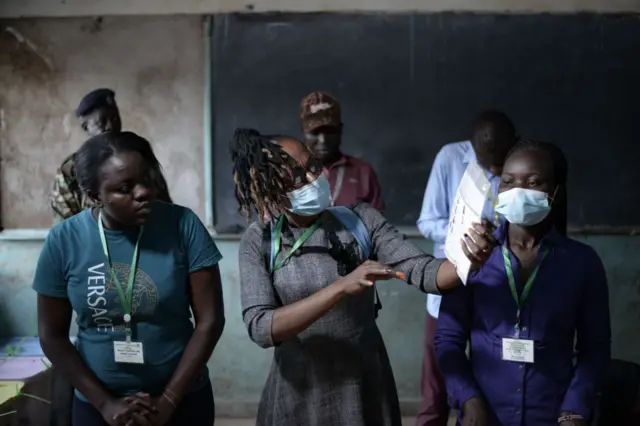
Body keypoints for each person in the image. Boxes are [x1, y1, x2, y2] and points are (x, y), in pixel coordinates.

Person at [231, 128, 496, 426]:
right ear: (271, 186)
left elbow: (427, 273)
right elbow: (262, 327)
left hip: (365, 384)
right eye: (295, 175)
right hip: (299, 391)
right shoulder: (260, 240)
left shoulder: (360, 221)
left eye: (313, 167)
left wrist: (467, 259)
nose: (312, 179)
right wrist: (340, 288)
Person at [34, 131, 225, 426]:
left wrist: (169, 400)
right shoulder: (64, 241)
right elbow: (52, 335)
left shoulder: (183, 225)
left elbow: (210, 321)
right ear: (95, 195)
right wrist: (104, 403)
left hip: (183, 401)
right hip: (98, 408)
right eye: (125, 187)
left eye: (146, 180)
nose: (143, 192)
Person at [434, 140, 610, 426]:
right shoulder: (473, 258)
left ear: (553, 192)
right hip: (484, 414)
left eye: (533, 182)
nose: (519, 191)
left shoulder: (582, 262)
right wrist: (468, 398)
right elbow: (447, 340)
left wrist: (574, 409)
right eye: (508, 181)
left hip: (552, 414)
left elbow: (595, 348)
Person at [415, 110, 517, 426]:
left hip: (501, 290)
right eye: (492, 164)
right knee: (436, 384)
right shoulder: (450, 158)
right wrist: (466, 233)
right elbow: (427, 222)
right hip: (453, 282)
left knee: (494, 379)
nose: (500, 170)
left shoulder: (523, 162)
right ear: (474, 150)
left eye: (504, 161)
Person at [50, 88, 172, 223]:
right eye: (102, 122)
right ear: (86, 127)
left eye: (115, 118)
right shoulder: (70, 170)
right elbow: (65, 226)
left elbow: (165, 209)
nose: (111, 126)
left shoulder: (140, 158)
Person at [301, 91, 385, 211]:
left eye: (329, 131)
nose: (323, 140)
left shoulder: (363, 172)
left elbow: (378, 225)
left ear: (340, 130)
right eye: (315, 133)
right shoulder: (290, 173)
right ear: (304, 132)